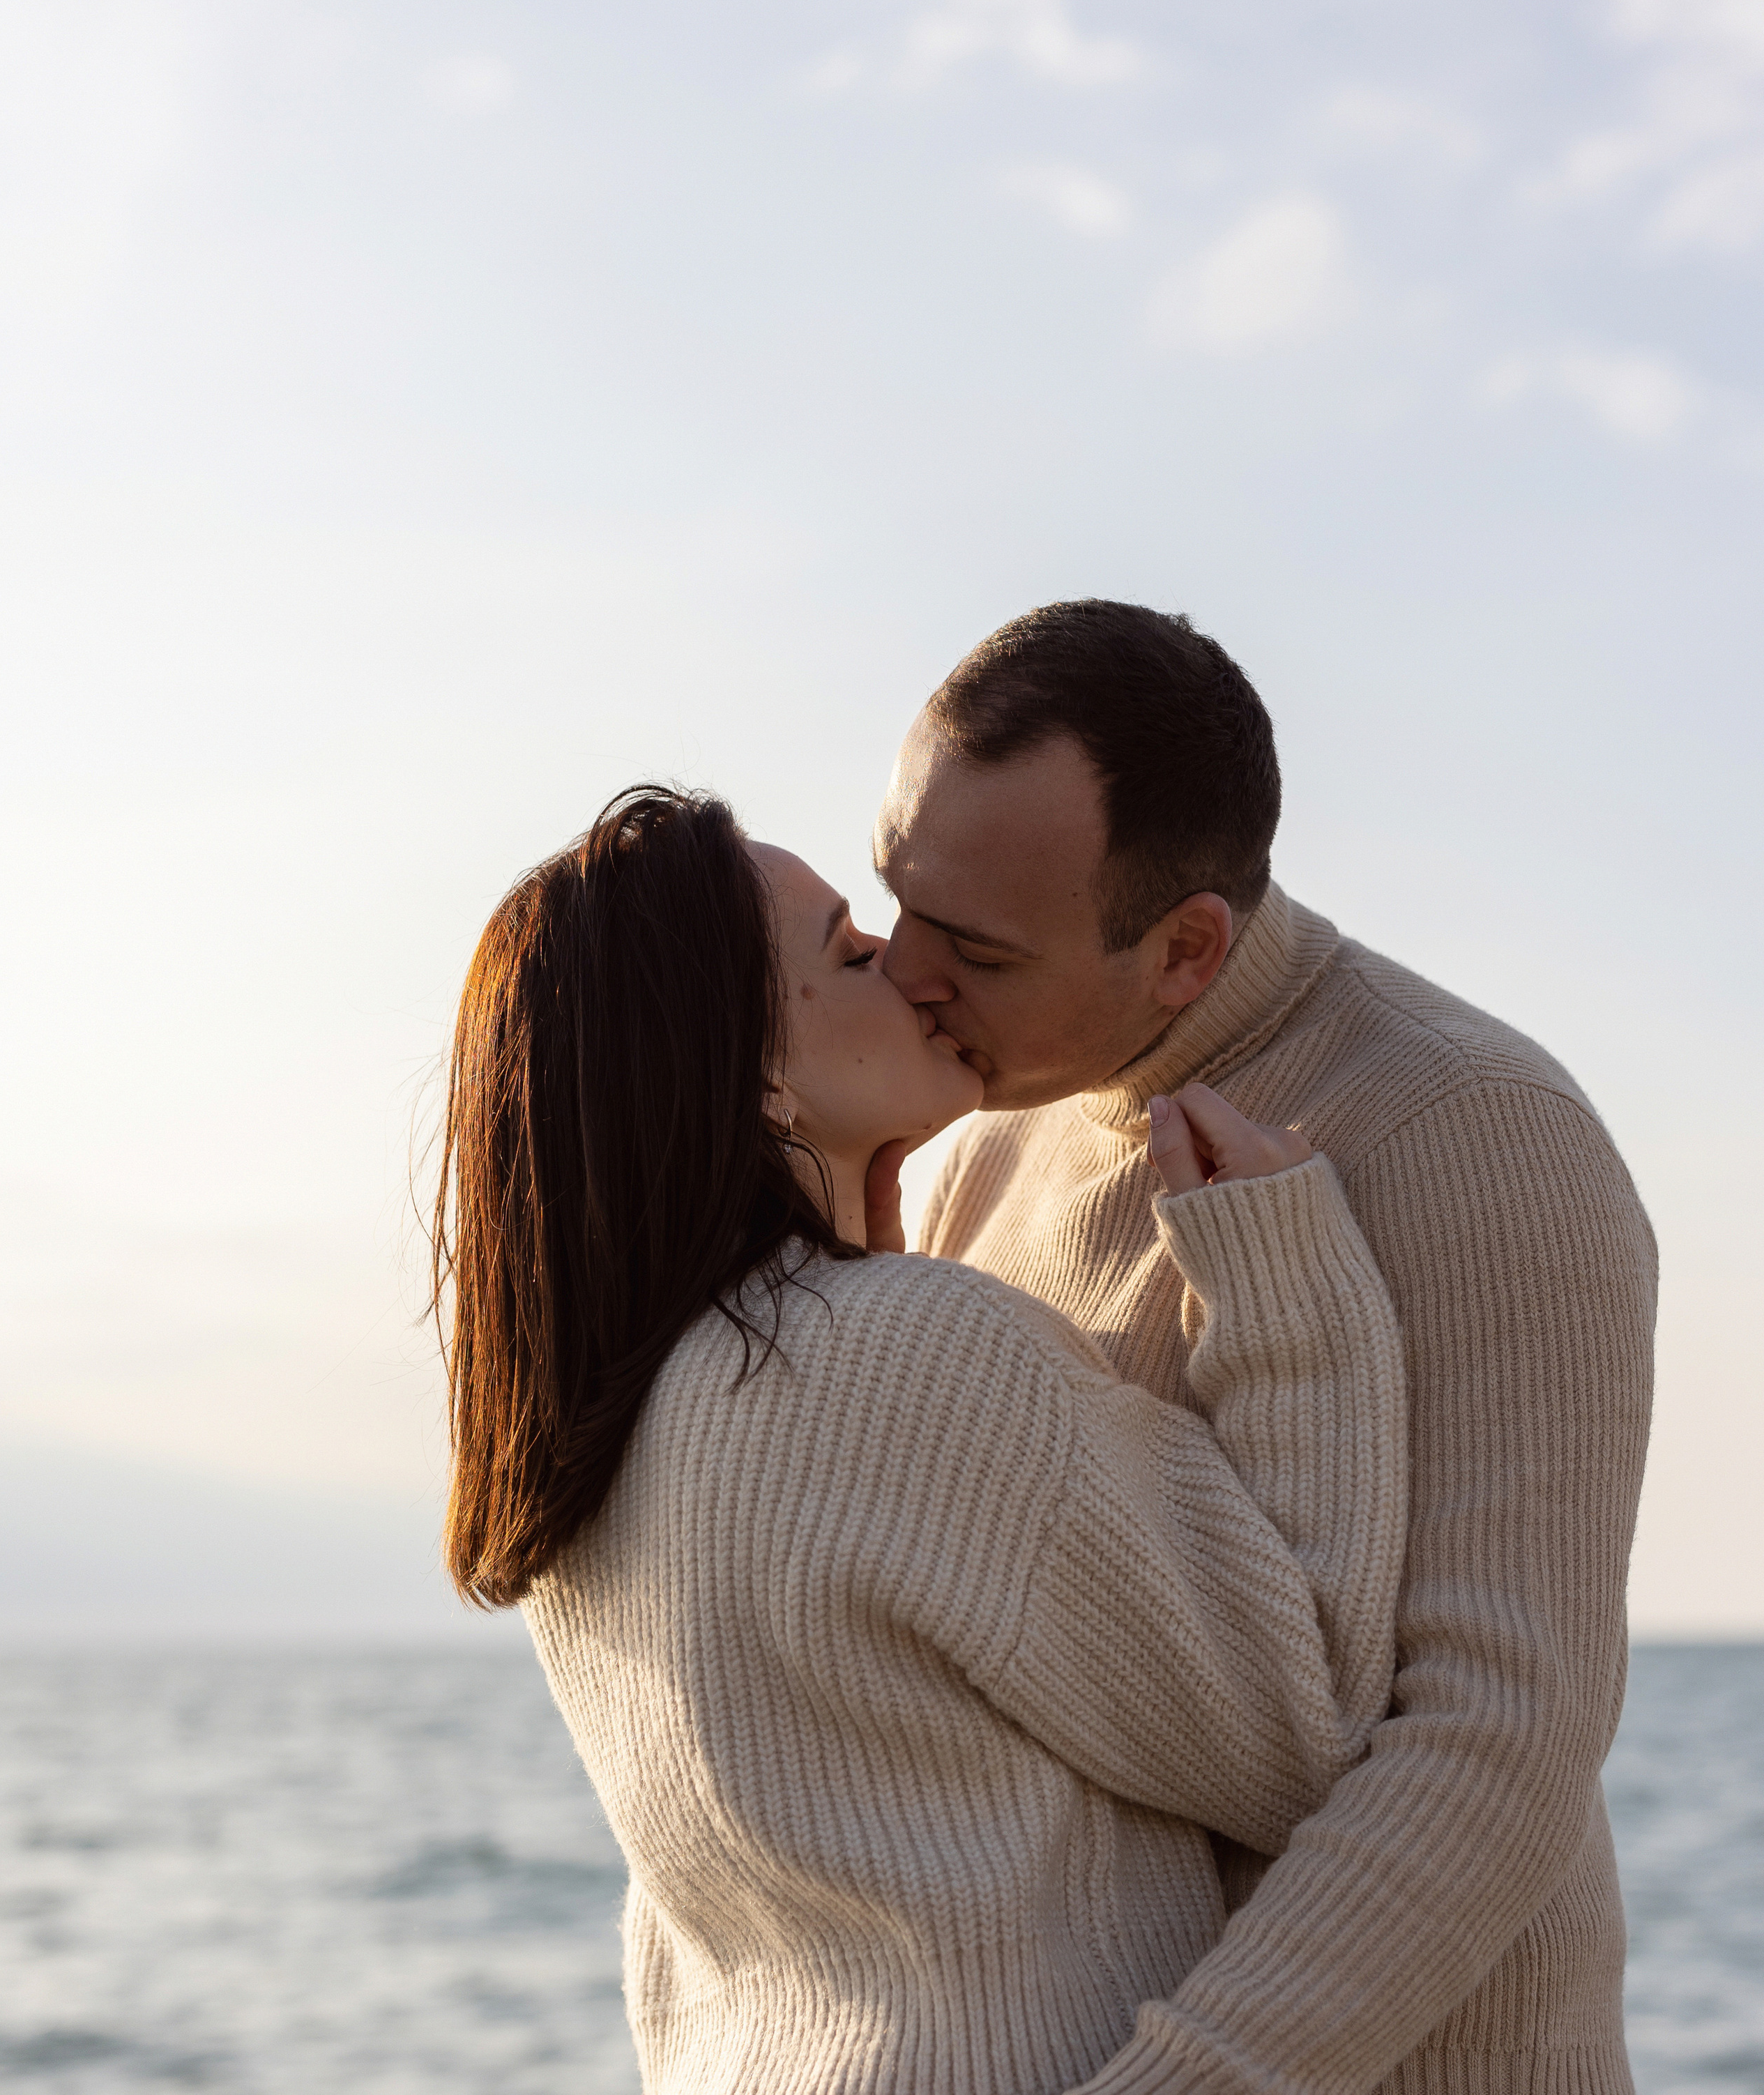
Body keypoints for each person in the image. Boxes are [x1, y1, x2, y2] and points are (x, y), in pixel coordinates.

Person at [432, 784, 1409, 2095]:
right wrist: (1290, 1282)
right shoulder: (898, 1353)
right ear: (759, 1068)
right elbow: (1308, 1738)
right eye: (848, 952)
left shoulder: (594, 1442)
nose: (909, 962)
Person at [876, 597, 1657, 2095]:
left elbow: (1497, 1741)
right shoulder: (982, 1148)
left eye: (971, 944)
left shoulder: (1478, 1127)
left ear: (1183, 949)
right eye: (893, 896)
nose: (903, 968)